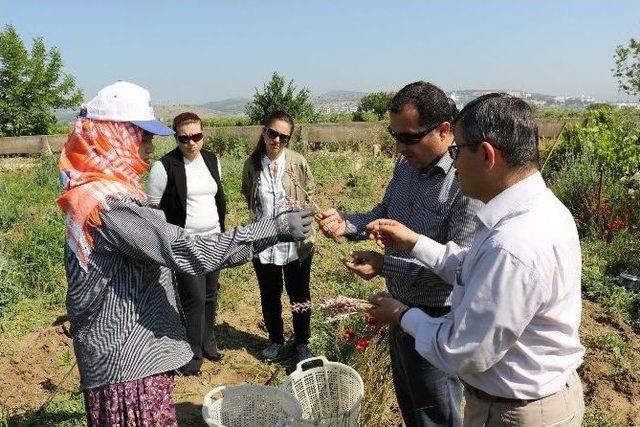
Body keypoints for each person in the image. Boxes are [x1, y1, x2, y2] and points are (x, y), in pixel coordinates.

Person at [57, 81, 314, 426]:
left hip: (129, 353)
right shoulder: (110, 204)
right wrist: (273, 228)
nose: (149, 147)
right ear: (115, 136)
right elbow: (183, 248)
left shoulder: (95, 190)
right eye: (143, 137)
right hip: (127, 363)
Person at [367, 93, 585, 426]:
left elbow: (463, 350)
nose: (453, 163)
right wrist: (414, 242)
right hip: (533, 398)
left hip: (514, 411)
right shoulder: (535, 211)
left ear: (486, 154)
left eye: (457, 151)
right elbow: (473, 267)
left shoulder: (512, 244)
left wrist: (401, 314)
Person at [316, 82, 481, 427]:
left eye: (409, 138)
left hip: (438, 319)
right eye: (395, 135)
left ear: (445, 130)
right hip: (400, 310)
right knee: (412, 409)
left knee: (437, 415)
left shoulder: (463, 185)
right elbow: (385, 211)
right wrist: (348, 223)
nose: (399, 147)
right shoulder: (406, 167)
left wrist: (383, 264)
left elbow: (460, 269)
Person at [146, 112, 226, 375]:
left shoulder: (212, 160)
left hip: (214, 238)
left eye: (197, 137)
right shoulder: (164, 166)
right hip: (186, 243)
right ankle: (191, 353)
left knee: (211, 294)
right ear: (176, 137)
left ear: (203, 134)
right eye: (184, 138)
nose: (191, 143)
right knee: (194, 297)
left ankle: (208, 342)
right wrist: (166, 244)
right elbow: (154, 209)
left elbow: (218, 198)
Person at [241, 110, 315, 362]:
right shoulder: (252, 166)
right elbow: (248, 195)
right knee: (270, 294)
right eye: (273, 134)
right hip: (264, 243)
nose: (277, 140)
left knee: (299, 295)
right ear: (264, 132)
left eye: (284, 137)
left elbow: (309, 191)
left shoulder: (297, 162)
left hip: (296, 243)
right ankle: (275, 339)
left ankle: (302, 341)